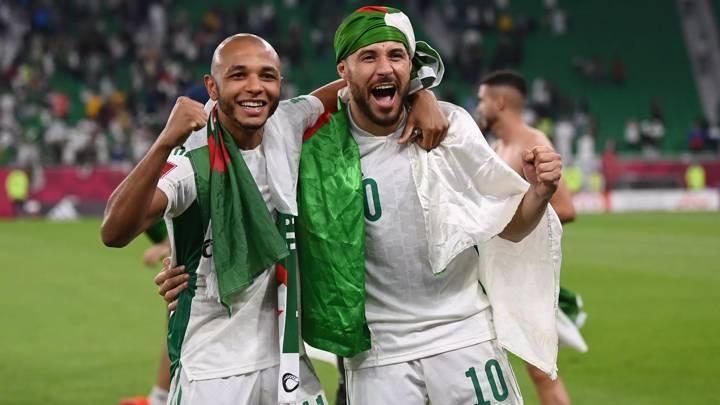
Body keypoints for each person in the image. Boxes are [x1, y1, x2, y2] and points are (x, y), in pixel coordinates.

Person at [158, 7, 564, 405]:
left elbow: (509, 227)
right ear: (343, 71)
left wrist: (539, 193)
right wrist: (186, 262)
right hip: (376, 355)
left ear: (412, 64)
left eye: (396, 55)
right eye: (368, 56)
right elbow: (238, 170)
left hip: (463, 336)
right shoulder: (311, 146)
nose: (384, 68)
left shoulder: (450, 130)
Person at [102, 32, 448, 405]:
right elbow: (115, 231)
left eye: (267, 76)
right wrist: (163, 142)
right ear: (212, 87)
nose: (255, 87)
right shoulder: (192, 160)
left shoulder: (288, 122)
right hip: (214, 369)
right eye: (238, 76)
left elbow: (357, 84)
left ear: (279, 84)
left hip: (287, 362)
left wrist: (420, 93)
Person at [476, 69, 587, 405]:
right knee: (480, 366)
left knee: (540, 370)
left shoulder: (534, 142)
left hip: (522, 275)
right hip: (490, 273)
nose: (479, 107)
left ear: (500, 102)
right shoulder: (495, 146)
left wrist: (512, 223)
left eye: (482, 100)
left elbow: (565, 207)